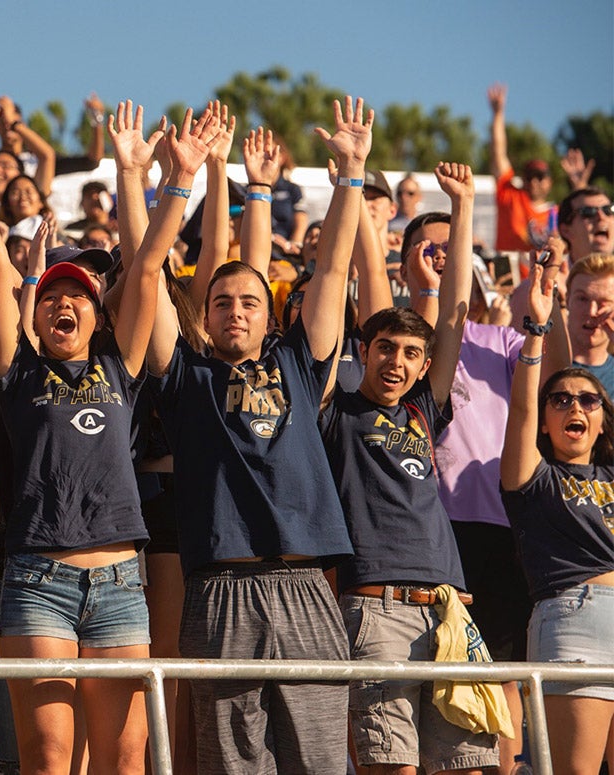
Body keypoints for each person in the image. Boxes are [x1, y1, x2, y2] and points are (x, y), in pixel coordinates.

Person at [0, 95, 217, 774]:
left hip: (121, 580)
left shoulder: (122, 368)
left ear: (99, 315)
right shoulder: (18, 371)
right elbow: (1, 272)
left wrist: (176, 176)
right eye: (54, 295)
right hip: (36, 578)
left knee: (124, 757)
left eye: (80, 296)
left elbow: (147, 267)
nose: (65, 302)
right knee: (49, 756)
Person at [147, 96, 371, 773]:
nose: (236, 312)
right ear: (205, 316)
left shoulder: (301, 362)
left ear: (269, 312)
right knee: (232, 762)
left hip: (305, 584)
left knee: (320, 760)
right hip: (221, 590)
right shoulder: (185, 375)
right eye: (221, 303)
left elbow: (331, 271)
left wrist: (351, 175)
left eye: (249, 301)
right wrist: (178, 181)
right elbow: (147, 273)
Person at [325, 163, 506, 772]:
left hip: (450, 610)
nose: (397, 364)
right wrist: (351, 186)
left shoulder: (425, 408)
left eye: (410, 354)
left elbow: (452, 313)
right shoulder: (338, 412)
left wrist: (461, 207)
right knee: (391, 767)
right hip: (374, 610)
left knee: (466, 766)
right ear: (363, 352)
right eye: (385, 350)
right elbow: (334, 291)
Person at [500, 260, 614, 774]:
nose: (576, 406)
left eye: (588, 399)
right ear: (546, 420)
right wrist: (537, 332)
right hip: (574, 619)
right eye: (561, 399)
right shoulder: (534, 476)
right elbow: (520, 411)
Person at [488, 84, 555, 253]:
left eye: (539, 176)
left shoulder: (558, 214)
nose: (533, 181)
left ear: (549, 182)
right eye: (529, 176)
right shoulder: (510, 196)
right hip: (508, 278)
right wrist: (498, 114)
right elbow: (498, 151)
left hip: (543, 278)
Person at [564, 253, 614, 398]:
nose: (592, 312)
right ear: (567, 300)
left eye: (603, 302)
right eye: (582, 299)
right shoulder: (540, 369)